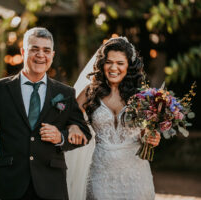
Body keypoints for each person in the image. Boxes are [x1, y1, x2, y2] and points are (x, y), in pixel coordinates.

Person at [0, 27, 91, 200]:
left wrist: (61, 137)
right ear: (23, 51)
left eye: (46, 50)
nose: (41, 55)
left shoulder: (65, 93)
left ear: (52, 54)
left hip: (51, 186)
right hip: (9, 184)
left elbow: (84, 133)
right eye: (34, 49)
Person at [65, 37, 161, 200]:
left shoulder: (141, 94)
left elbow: (146, 132)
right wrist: (73, 127)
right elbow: (69, 115)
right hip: (100, 174)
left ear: (129, 66)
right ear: (102, 64)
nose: (113, 67)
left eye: (120, 63)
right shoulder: (91, 92)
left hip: (136, 175)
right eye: (109, 62)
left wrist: (153, 137)